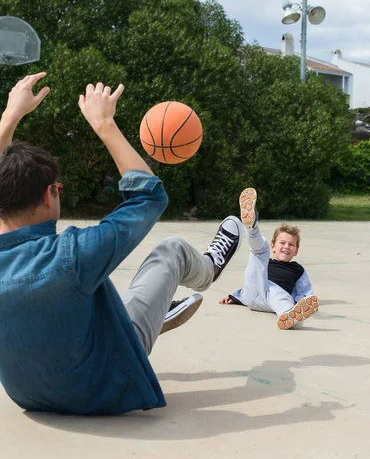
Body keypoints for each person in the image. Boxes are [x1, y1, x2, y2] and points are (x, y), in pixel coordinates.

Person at [0, 73, 243, 415]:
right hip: (102, 389)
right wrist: (103, 124)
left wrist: (9, 117)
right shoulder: (72, 254)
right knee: (171, 250)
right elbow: (150, 197)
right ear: (49, 194)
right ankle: (208, 270)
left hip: (29, 397)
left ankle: (156, 308)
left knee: (90, 295)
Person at [219, 188, 318, 330]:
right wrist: (234, 297)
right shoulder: (265, 262)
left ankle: (288, 316)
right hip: (254, 293)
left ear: (296, 251)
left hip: (274, 299)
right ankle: (251, 227)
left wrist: (307, 304)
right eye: (282, 243)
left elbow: (305, 291)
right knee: (259, 253)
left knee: (282, 298)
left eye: (291, 245)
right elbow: (252, 278)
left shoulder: (297, 269)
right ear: (273, 246)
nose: (286, 247)